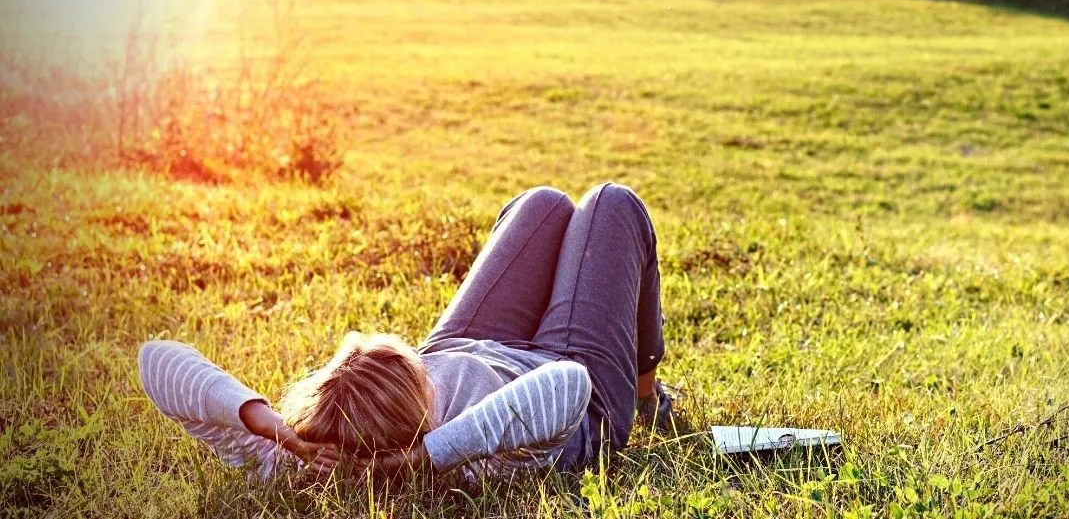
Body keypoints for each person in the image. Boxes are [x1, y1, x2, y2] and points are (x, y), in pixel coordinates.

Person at [138, 183, 682, 482]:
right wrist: (425, 457)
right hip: (574, 385)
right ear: (420, 406)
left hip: (469, 344)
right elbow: (565, 386)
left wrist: (277, 430)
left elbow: (157, 360)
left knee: (541, 205)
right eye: (419, 374)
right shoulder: (475, 463)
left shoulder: (305, 449)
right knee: (612, 203)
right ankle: (646, 394)